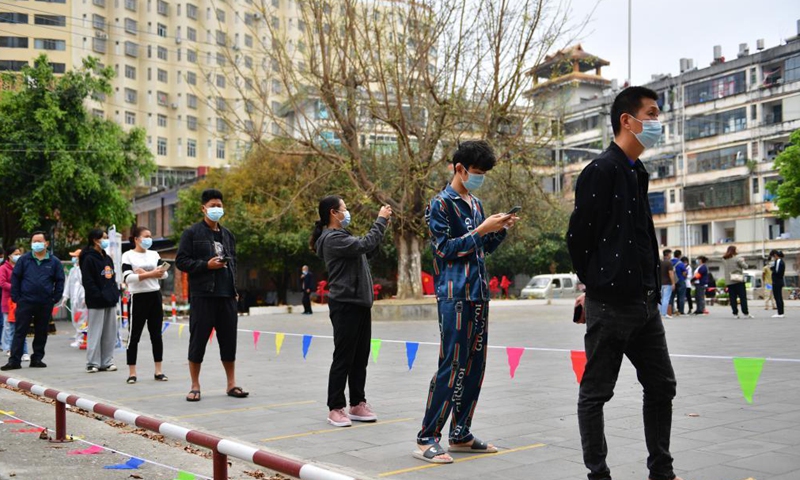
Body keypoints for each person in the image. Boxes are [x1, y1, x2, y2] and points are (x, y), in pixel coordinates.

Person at [567, 87, 682, 480]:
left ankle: (661, 471)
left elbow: (638, 234)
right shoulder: (601, 170)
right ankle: (598, 474)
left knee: (662, 385)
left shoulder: (638, 172)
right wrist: (597, 284)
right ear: (627, 121)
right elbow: (578, 239)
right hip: (611, 304)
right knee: (596, 393)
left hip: (646, 306)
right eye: (650, 114)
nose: (657, 122)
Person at [415, 140, 517, 464]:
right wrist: (481, 231)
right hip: (454, 294)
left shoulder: (476, 204)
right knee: (452, 364)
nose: (479, 177)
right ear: (459, 169)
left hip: (479, 294)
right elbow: (444, 249)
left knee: (475, 365)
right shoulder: (440, 204)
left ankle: (461, 432)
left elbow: (481, 248)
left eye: (484, 173)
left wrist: (498, 230)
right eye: (476, 172)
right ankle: (427, 436)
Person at [312, 196, 392, 427]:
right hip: (345, 303)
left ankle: (357, 403)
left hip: (359, 303)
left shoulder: (343, 237)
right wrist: (380, 221)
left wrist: (380, 229)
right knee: (344, 357)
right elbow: (364, 245)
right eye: (344, 209)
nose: (347, 213)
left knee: (360, 357)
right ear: (332, 213)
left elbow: (367, 249)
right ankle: (335, 407)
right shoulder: (331, 239)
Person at [176, 189, 248, 402]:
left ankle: (231, 384)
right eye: (213, 205)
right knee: (198, 340)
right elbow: (181, 261)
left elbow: (233, 264)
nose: (217, 209)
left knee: (229, 341)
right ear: (203, 208)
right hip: (203, 296)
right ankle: (195, 385)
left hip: (226, 296)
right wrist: (205, 265)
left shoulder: (228, 235)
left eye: (219, 205)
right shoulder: (192, 233)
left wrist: (234, 291)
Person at [2, 232, 65, 371]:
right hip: (25, 301)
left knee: (41, 331)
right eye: (34, 241)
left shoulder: (54, 261)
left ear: (46, 243)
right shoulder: (24, 259)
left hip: (45, 302)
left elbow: (60, 280)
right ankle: (14, 360)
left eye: (39, 241)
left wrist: (55, 298)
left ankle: (37, 358)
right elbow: (16, 278)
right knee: (20, 331)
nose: (36, 244)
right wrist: (16, 297)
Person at [121, 226, 170, 384]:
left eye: (150, 236)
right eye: (146, 236)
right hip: (138, 297)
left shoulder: (154, 254)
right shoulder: (128, 255)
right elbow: (128, 278)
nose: (149, 239)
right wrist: (151, 274)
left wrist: (144, 273)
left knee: (156, 335)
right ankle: (132, 372)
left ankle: (158, 371)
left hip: (155, 295)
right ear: (136, 239)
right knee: (134, 336)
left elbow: (165, 273)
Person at [81, 229, 120, 373]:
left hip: (110, 300)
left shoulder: (107, 258)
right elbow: (88, 281)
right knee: (95, 332)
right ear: (95, 240)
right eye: (103, 238)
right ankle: (92, 362)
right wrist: (98, 295)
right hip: (96, 301)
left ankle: (107, 361)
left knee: (110, 332)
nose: (106, 240)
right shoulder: (88, 258)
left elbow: (112, 278)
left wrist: (114, 293)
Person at [1, 246, 29, 360]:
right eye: (15, 254)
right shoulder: (3, 268)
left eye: (19, 253)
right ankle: (8, 348)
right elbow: (2, 283)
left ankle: (22, 350)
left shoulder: (22, 267)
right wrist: (16, 288)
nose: (18, 256)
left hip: (20, 300)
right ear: (9, 255)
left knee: (20, 325)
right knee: (8, 327)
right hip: (8, 300)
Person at [62, 250, 87, 348]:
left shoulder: (85, 269)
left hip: (82, 298)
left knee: (83, 319)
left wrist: (86, 297)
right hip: (74, 298)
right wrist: (65, 297)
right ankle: (78, 336)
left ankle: (81, 339)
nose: (73, 259)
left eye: (75, 257)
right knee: (75, 319)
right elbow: (68, 284)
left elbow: (86, 284)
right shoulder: (73, 270)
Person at [722, 245, 752, 319]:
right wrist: (743, 260)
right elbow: (746, 267)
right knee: (742, 298)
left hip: (729, 281)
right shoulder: (738, 258)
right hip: (738, 280)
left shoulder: (724, 259)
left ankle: (735, 313)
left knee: (732, 298)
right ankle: (745, 313)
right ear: (734, 250)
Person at [660, 249, 675, 319]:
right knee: (666, 299)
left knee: (660, 299)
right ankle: (664, 314)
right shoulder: (669, 263)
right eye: (670, 254)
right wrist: (673, 283)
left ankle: (659, 314)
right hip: (667, 283)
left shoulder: (659, 262)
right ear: (668, 254)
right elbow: (670, 273)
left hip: (660, 283)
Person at [771, 250, 785, 318]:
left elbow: (777, 271)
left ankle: (780, 313)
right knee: (779, 297)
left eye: (773, 256)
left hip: (777, 281)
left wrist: (772, 270)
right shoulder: (781, 261)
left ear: (776, 255)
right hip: (779, 281)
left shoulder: (778, 261)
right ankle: (781, 312)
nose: (773, 258)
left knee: (777, 297)